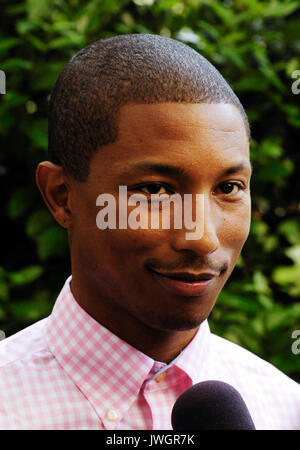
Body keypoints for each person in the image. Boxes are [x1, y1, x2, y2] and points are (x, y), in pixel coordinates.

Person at [0, 34, 299, 430]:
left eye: (228, 188)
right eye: (156, 190)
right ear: (62, 196)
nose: (202, 238)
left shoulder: (284, 409)